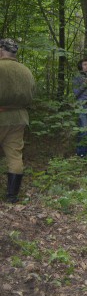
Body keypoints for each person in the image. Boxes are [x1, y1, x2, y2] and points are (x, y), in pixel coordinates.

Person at [0, 39, 36, 203]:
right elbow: (31, 95)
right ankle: (12, 196)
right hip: (19, 118)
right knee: (15, 155)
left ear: (1, 51)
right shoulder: (26, 71)